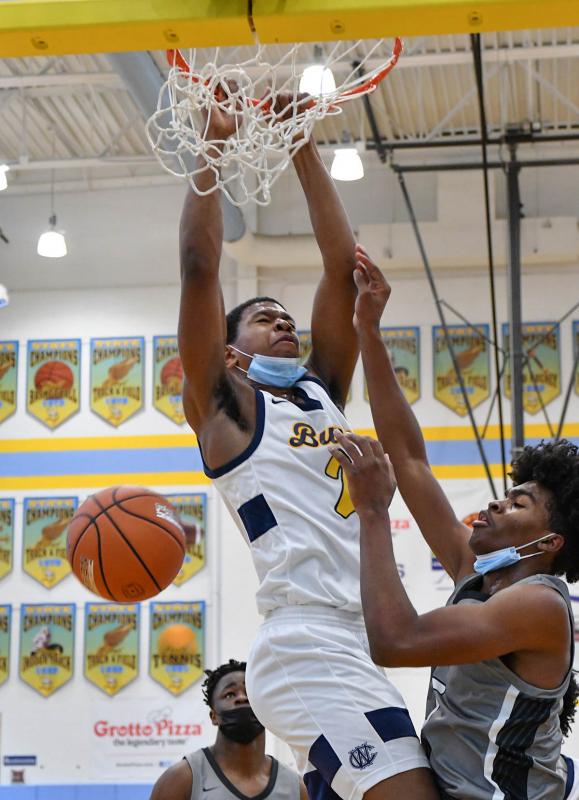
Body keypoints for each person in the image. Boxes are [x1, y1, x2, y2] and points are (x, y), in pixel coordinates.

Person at [177, 98, 437, 800]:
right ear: (230, 352)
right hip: (306, 640)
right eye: (265, 319)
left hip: (366, 637)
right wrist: (213, 148)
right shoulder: (224, 411)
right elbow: (201, 267)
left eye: (287, 318)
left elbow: (338, 267)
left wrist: (301, 144)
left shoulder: (319, 391)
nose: (284, 323)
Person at [327, 246, 579, 800]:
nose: (493, 505)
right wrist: (367, 327)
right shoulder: (477, 567)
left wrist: (372, 510)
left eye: (517, 504)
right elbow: (410, 458)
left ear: (549, 541)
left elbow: (395, 641)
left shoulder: (540, 604)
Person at [150, 659, 305, 800]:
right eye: (230, 694)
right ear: (213, 716)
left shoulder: (296, 788)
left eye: (249, 693)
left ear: (264, 707)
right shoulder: (182, 779)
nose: (242, 698)